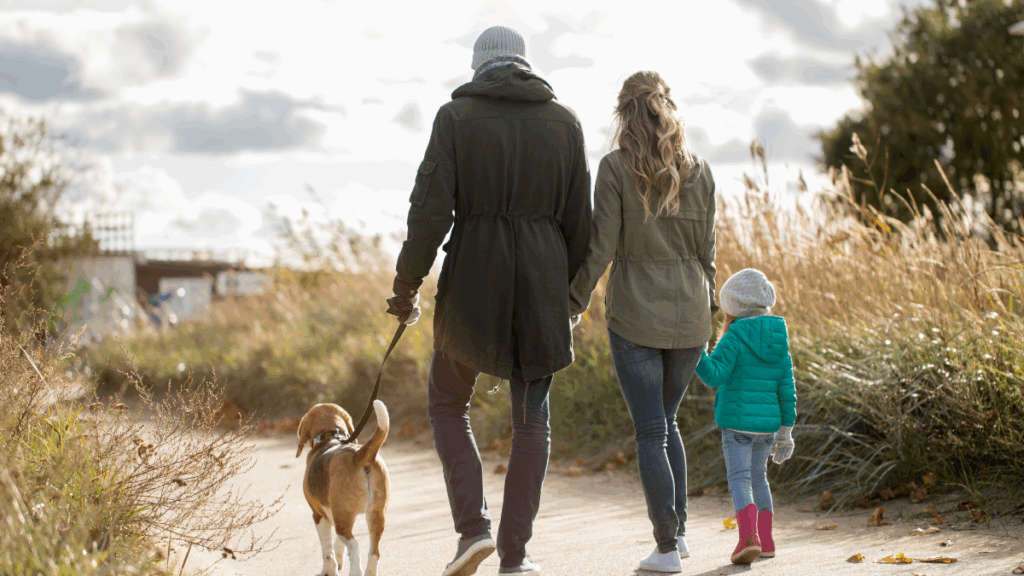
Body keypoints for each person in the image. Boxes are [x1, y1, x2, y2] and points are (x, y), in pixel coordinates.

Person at [387, 25, 592, 576]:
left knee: (449, 402)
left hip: (474, 280)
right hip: (543, 287)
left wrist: (406, 286)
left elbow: (429, 212)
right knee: (532, 423)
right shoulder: (566, 123)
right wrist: (565, 297)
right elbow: (581, 226)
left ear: (478, 66)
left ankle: (473, 532)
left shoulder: (455, 118)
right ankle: (515, 559)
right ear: (525, 63)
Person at [569, 71, 717, 574]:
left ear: (623, 113)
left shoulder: (614, 168)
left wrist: (573, 302)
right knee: (665, 423)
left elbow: (600, 248)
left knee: (651, 429)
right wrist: (712, 313)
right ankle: (679, 535)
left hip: (635, 315)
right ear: (666, 108)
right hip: (692, 316)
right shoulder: (702, 170)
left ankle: (667, 548)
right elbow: (708, 255)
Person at [693, 268, 797, 565]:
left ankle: (748, 537)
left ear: (733, 308)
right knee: (759, 479)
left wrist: (697, 350)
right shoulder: (779, 339)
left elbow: (713, 377)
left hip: (737, 423)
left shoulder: (735, 337)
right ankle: (767, 541)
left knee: (740, 480)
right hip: (768, 427)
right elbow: (787, 389)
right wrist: (786, 431)